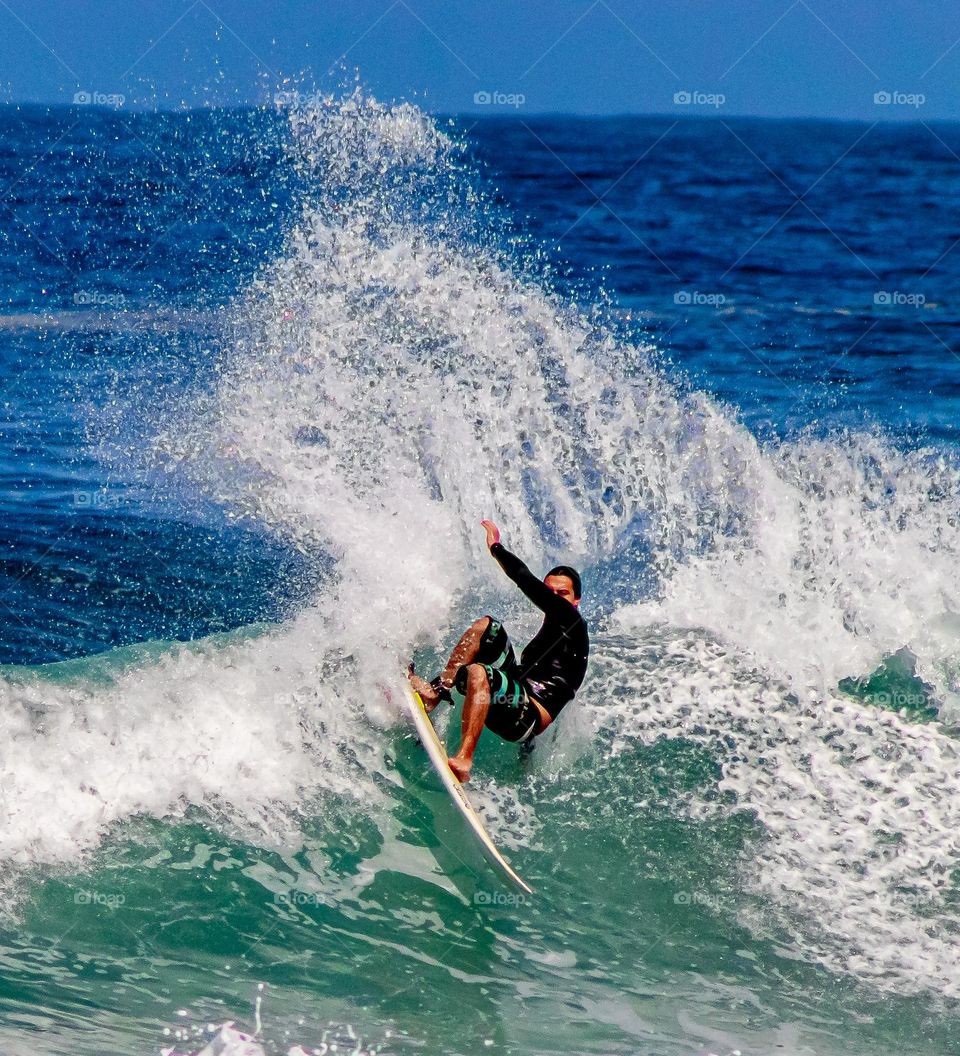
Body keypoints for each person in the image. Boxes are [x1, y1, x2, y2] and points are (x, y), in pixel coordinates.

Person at [408, 519, 589, 782]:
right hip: (514, 694)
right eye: (548, 591)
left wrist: (495, 547)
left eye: (561, 593)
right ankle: (436, 692)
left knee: (481, 673)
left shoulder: (574, 624)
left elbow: (524, 577)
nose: (553, 597)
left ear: (576, 601)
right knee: (488, 627)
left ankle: (464, 759)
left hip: (528, 715)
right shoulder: (552, 630)